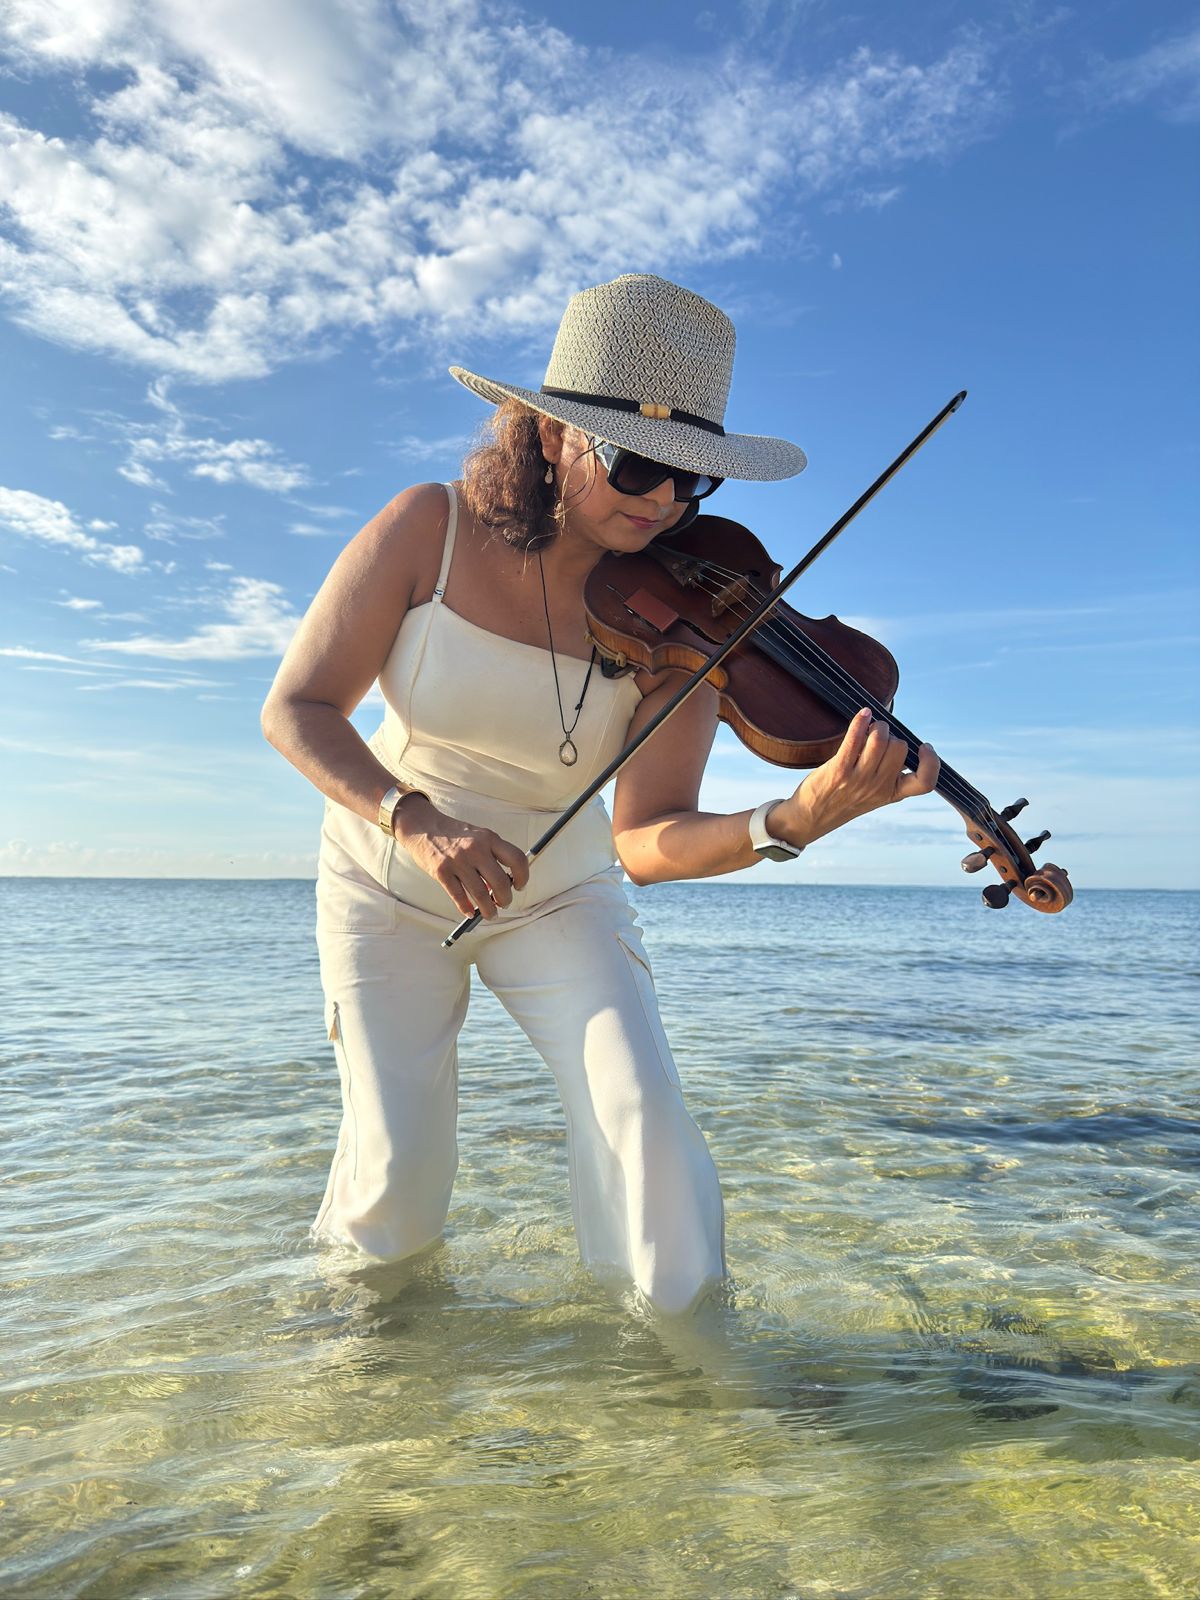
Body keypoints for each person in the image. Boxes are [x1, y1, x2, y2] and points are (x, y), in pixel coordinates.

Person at [261, 273, 939, 1318]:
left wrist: (793, 821)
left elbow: (649, 839)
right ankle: (369, 1399)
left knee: (648, 1127)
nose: (664, 501)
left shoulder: (682, 615)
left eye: (693, 482)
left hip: (562, 892)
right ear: (549, 439)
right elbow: (298, 709)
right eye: (638, 463)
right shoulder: (426, 528)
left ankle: (694, 1383)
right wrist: (419, 820)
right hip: (386, 878)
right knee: (395, 1173)